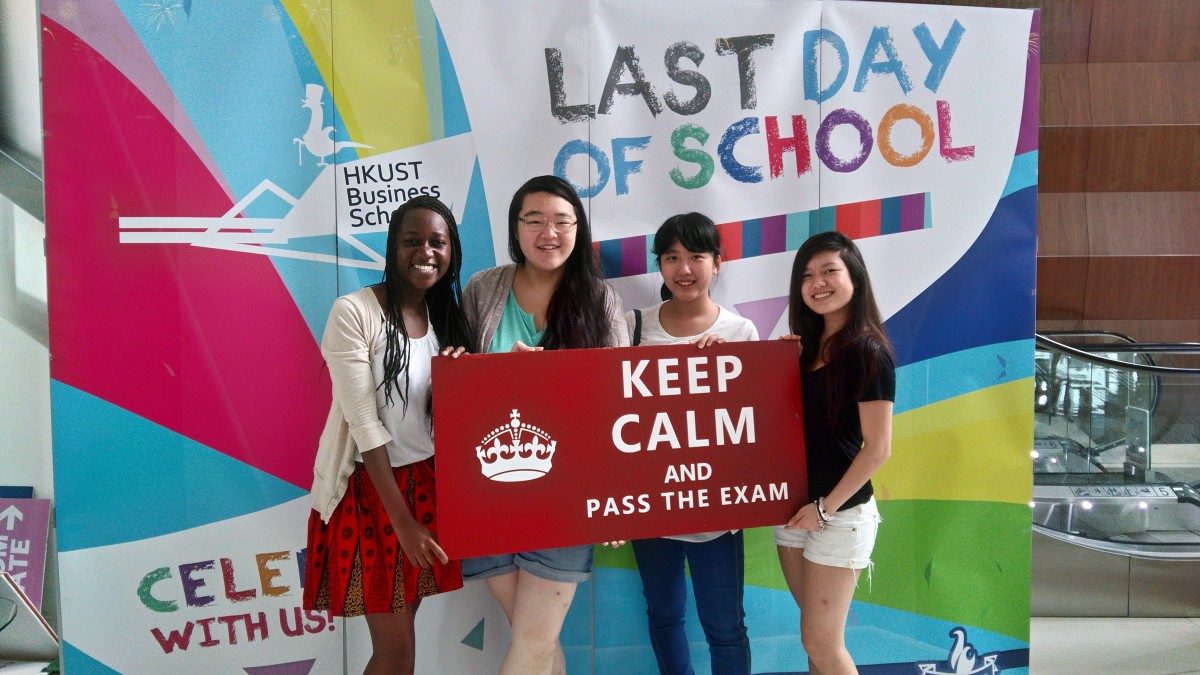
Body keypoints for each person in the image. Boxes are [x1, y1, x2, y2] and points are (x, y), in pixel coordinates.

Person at [458, 175, 628, 674]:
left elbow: (618, 403)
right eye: (534, 221)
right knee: (534, 638)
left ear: (578, 229)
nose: (547, 233)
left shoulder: (599, 301)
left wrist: (616, 495)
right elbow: (456, 386)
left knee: (532, 639)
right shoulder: (483, 289)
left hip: (569, 494)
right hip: (490, 491)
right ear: (516, 229)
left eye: (561, 222)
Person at [303, 196, 471, 674]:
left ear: (451, 251)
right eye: (411, 241)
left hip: (427, 485)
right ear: (392, 248)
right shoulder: (354, 312)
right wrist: (402, 522)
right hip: (372, 493)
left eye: (437, 242)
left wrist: (457, 384)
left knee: (401, 648)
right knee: (397, 653)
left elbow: (438, 416)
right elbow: (365, 424)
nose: (426, 252)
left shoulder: (446, 318)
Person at [626, 212, 756, 675]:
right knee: (664, 617)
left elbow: (753, 428)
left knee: (724, 626)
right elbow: (609, 416)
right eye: (671, 257)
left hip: (715, 510)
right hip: (651, 505)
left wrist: (727, 376)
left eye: (696, 256)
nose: (684, 269)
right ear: (659, 266)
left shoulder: (741, 333)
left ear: (717, 263)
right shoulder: (632, 327)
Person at [776, 231, 895, 675]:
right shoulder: (801, 349)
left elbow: (878, 449)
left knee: (822, 642)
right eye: (807, 275)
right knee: (815, 641)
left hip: (838, 515)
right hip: (792, 512)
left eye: (830, 271)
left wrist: (824, 510)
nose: (818, 283)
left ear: (855, 279)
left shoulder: (867, 351)